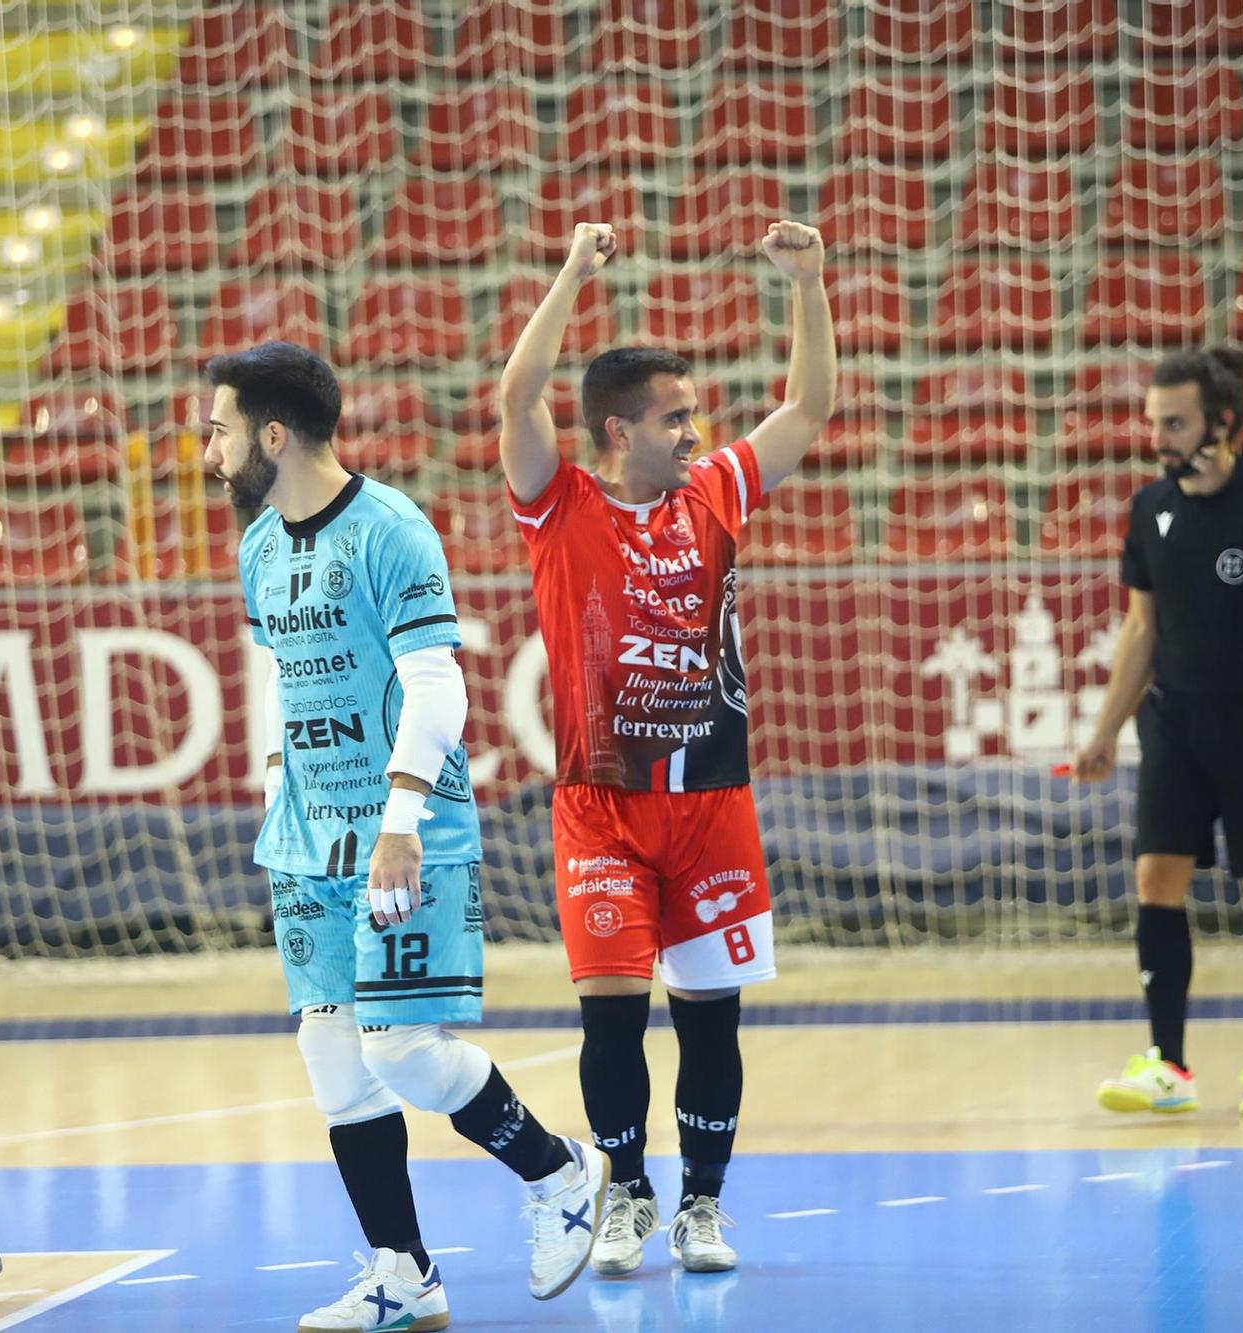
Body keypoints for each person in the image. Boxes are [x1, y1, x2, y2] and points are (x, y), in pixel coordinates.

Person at [205, 341, 607, 1331]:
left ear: (270, 433)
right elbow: (271, 674)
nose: (207, 452)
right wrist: (271, 785)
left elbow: (436, 681)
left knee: (401, 1049)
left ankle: (558, 1174)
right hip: (304, 840)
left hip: (403, 831)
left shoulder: (390, 528)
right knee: (332, 1055)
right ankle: (401, 1272)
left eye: (217, 431)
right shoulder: (260, 543)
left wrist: (396, 823)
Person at [495, 221, 834, 1276]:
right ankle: (626, 1194)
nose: (694, 431)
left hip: (712, 802)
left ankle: (700, 1206)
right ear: (614, 430)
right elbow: (516, 397)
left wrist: (809, 285)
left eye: (694, 416)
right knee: (609, 1018)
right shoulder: (560, 504)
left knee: (710, 1023)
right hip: (601, 803)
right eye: (673, 417)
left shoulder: (717, 492)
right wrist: (568, 274)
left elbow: (808, 408)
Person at [1070, 346, 1243, 1118]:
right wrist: (1104, 730)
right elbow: (1140, 630)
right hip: (1176, 726)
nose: (1158, 436)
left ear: (1222, 422)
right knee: (1156, 877)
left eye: (1175, 422)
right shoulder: (1151, 507)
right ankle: (1169, 1064)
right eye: (1154, 421)